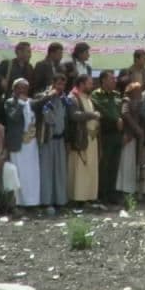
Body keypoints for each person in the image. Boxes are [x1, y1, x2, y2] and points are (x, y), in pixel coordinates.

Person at [4, 79, 42, 213]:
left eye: (25, 88)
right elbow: (14, 117)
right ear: (14, 89)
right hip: (18, 144)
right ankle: (19, 203)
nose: (22, 91)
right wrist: (20, 103)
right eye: (19, 88)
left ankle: (33, 202)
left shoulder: (30, 102)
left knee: (32, 173)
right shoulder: (10, 102)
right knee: (19, 173)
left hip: (31, 143)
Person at [65, 74, 101, 204]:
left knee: (90, 169)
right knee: (80, 169)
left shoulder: (88, 98)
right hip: (80, 138)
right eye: (89, 83)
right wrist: (92, 115)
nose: (92, 86)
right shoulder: (72, 98)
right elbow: (74, 115)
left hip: (92, 138)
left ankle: (89, 197)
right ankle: (78, 198)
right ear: (81, 84)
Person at [37, 74, 69, 209]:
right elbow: (41, 110)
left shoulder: (64, 99)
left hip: (60, 139)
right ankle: (46, 201)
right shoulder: (43, 96)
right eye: (58, 84)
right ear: (53, 83)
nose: (61, 87)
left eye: (63, 84)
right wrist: (49, 96)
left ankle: (60, 201)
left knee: (59, 171)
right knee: (47, 170)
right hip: (47, 139)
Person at [93, 70, 124, 204]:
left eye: (114, 78)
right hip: (105, 134)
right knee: (104, 165)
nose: (114, 81)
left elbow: (121, 111)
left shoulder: (116, 95)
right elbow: (101, 110)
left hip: (117, 134)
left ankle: (112, 193)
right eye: (111, 78)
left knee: (114, 165)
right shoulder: (96, 95)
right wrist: (116, 119)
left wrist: (120, 120)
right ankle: (102, 194)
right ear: (103, 80)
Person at [117, 82, 145, 197]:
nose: (139, 93)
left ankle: (132, 189)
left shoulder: (139, 102)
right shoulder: (127, 101)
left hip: (136, 136)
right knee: (127, 162)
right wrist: (136, 128)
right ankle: (124, 189)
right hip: (128, 134)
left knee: (135, 163)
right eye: (137, 91)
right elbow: (125, 114)